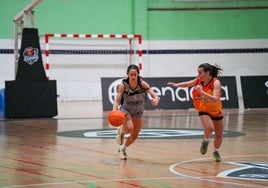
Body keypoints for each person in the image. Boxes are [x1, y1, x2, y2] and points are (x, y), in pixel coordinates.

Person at [167, 63, 223, 162]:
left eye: (200, 72)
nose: (198, 74)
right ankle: (205, 141)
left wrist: (202, 93)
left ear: (207, 73)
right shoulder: (198, 80)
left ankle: (216, 151)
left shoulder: (216, 82)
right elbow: (187, 84)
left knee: (219, 135)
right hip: (203, 109)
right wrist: (176, 85)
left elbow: (215, 99)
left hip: (216, 110)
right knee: (209, 128)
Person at [112, 64, 160, 160]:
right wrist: (114, 110)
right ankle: (121, 132)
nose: (133, 77)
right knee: (129, 128)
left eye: (135, 74)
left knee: (135, 134)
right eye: (131, 75)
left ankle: (122, 149)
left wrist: (155, 99)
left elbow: (153, 93)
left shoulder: (142, 84)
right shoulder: (123, 85)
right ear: (127, 75)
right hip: (126, 109)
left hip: (138, 109)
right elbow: (117, 100)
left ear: (138, 74)